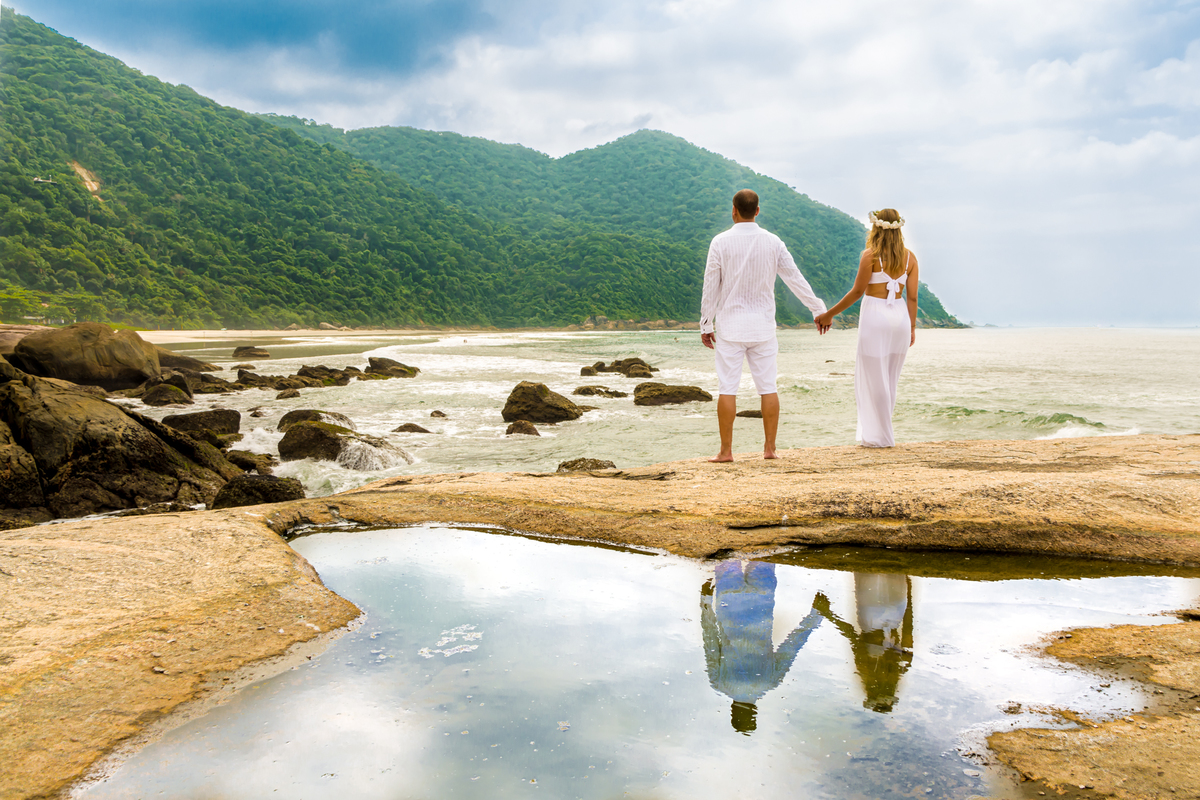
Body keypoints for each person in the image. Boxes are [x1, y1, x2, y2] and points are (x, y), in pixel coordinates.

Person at [700, 189, 829, 462]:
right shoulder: (773, 242)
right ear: (757, 210)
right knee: (768, 387)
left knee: (727, 388)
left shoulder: (720, 242)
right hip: (763, 328)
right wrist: (819, 310)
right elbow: (795, 279)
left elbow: (710, 286)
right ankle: (770, 450)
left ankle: (726, 452)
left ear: (733, 210)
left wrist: (705, 324)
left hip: (731, 328)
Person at [815, 208, 918, 447]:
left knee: (874, 377)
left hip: (875, 318)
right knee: (890, 377)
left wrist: (829, 314)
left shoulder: (870, 255)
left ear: (876, 227)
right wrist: (912, 327)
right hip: (900, 319)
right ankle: (882, 432)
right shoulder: (911, 258)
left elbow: (858, 292)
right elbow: (912, 297)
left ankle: (879, 437)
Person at [700, 561, 825, 733]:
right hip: (729, 601)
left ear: (754, 711)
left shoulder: (770, 682)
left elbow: (791, 646)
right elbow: (710, 638)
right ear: (732, 710)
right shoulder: (719, 683)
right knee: (729, 549)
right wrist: (705, 602)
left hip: (762, 598)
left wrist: (816, 615)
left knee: (765, 550)